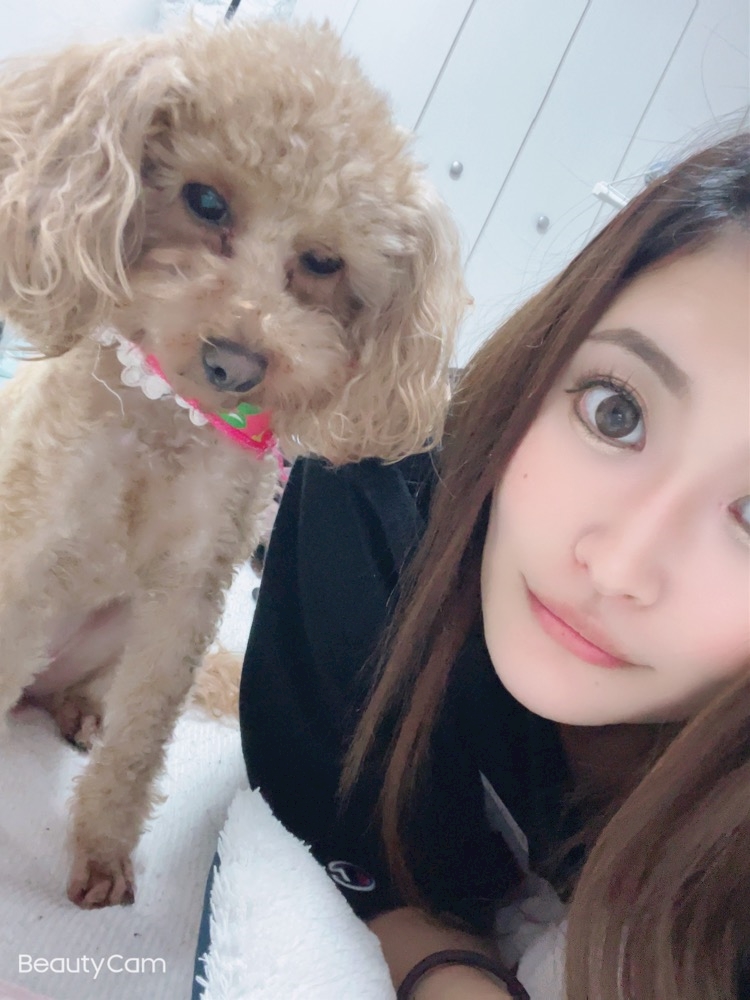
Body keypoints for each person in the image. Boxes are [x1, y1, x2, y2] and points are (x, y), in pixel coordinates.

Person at [238, 133, 750, 999]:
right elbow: (329, 816)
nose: (618, 564)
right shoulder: (377, 496)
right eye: (615, 411)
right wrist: (442, 960)